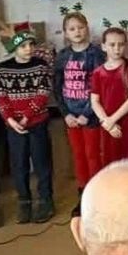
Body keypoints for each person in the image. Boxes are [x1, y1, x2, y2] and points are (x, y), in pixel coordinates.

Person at [0, 29, 56, 225]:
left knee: (42, 163)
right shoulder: (3, 69)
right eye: (23, 46)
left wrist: (27, 117)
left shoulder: (41, 66)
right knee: (18, 164)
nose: (28, 49)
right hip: (14, 126)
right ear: (14, 49)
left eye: (31, 45)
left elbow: (43, 92)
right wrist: (10, 119)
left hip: (37, 123)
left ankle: (45, 200)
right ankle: (24, 201)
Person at [53, 12, 105, 210]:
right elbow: (57, 88)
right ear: (66, 33)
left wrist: (87, 114)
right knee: (78, 155)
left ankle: (96, 194)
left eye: (80, 27)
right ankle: (83, 194)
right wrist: (66, 113)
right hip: (71, 116)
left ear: (87, 28)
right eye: (72, 29)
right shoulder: (62, 56)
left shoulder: (96, 54)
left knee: (93, 154)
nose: (77, 32)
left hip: (90, 115)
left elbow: (99, 88)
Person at [90, 27, 128, 165]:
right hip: (107, 124)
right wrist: (107, 123)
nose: (117, 49)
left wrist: (112, 120)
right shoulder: (98, 73)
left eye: (121, 44)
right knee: (111, 162)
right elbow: (94, 101)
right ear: (103, 46)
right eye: (112, 45)